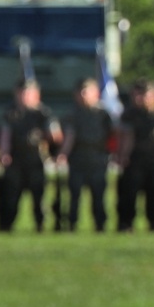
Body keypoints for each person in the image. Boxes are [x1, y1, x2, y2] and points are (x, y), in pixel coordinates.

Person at [0, 79, 62, 232]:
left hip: (36, 160)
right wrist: (4, 153)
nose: (24, 96)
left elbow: (56, 136)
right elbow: (5, 134)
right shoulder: (10, 113)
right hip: (16, 160)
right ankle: (6, 225)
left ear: (36, 94)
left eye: (28, 93)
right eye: (21, 93)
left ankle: (41, 225)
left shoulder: (43, 113)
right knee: (10, 197)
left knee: (39, 196)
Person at [115, 79, 154, 232]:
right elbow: (122, 136)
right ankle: (126, 223)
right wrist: (121, 155)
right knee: (128, 193)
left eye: (144, 94)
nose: (140, 98)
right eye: (137, 94)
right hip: (133, 159)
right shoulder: (128, 114)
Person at [56, 78, 114, 232]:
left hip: (98, 158)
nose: (83, 95)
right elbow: (68, 136)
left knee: (99, 195)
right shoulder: (72, 114)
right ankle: (71, 223)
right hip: (78, 158)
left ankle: (100, 224)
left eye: (86, 91)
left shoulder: (103, 114)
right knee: (74, 195)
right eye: (80, 92)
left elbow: (112, 136)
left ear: (96, 93)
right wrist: (63, 154)